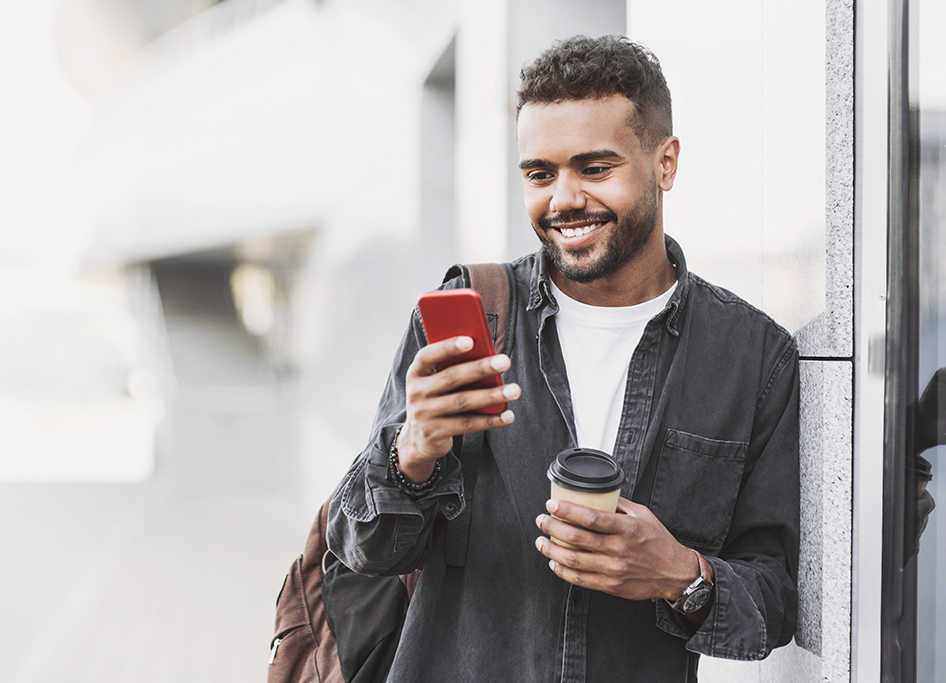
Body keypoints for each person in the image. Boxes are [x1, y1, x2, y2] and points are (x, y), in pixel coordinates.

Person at [327, 34, 799, 682]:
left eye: (595, 167)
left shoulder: (752, 358)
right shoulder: (469, 318)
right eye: (540, 173)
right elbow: (358, 546)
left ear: (666, 163)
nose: (563, 199)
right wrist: (412, 453)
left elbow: (775, 599)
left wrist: (681, 575)